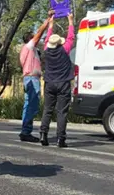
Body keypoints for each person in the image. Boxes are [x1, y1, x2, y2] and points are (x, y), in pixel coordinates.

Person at [40, 13, 76, 148]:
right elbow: (71, 37)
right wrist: (70, 21)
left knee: (47, 110)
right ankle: (61, 138)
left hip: (49, 83)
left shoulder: (46, 50)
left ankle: (43, 134)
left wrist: (51, 22)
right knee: (62, 111)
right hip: (63, 83)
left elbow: (48, 38)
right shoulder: (64, 50)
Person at [18, 11, 55, 142]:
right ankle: (26, 131)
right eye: (34, 38)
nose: (37, 39)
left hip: (30, 78)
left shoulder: (30, 51)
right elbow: (39, 34)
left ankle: (25, 130)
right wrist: (48, 20)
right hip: (32, 78)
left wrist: (50, 26)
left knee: (28, 105)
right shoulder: (28, 47)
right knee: (32, 105)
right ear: (30, 39)